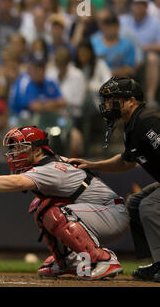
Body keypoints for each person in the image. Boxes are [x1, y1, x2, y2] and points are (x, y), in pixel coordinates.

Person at [0, 125, 129, 280]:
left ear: (38, 149)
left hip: (111, 213)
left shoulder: (50, 167)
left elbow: (17, 182)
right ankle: (68, 262)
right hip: (99, 213)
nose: (14, 153)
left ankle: (103, 259)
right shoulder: (46, 164)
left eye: (21, 147)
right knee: (40, 206)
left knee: (56, 212)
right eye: (13, 148)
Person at [68, 77, 160, 282]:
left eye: (115, 99)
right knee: (135, 203)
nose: (109, 105)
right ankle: (157, 262)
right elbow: (126, 162)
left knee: (150, 206)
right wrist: (91, 165)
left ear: (132, 101)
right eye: (108, 100)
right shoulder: (133, 125)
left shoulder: (148, 121)